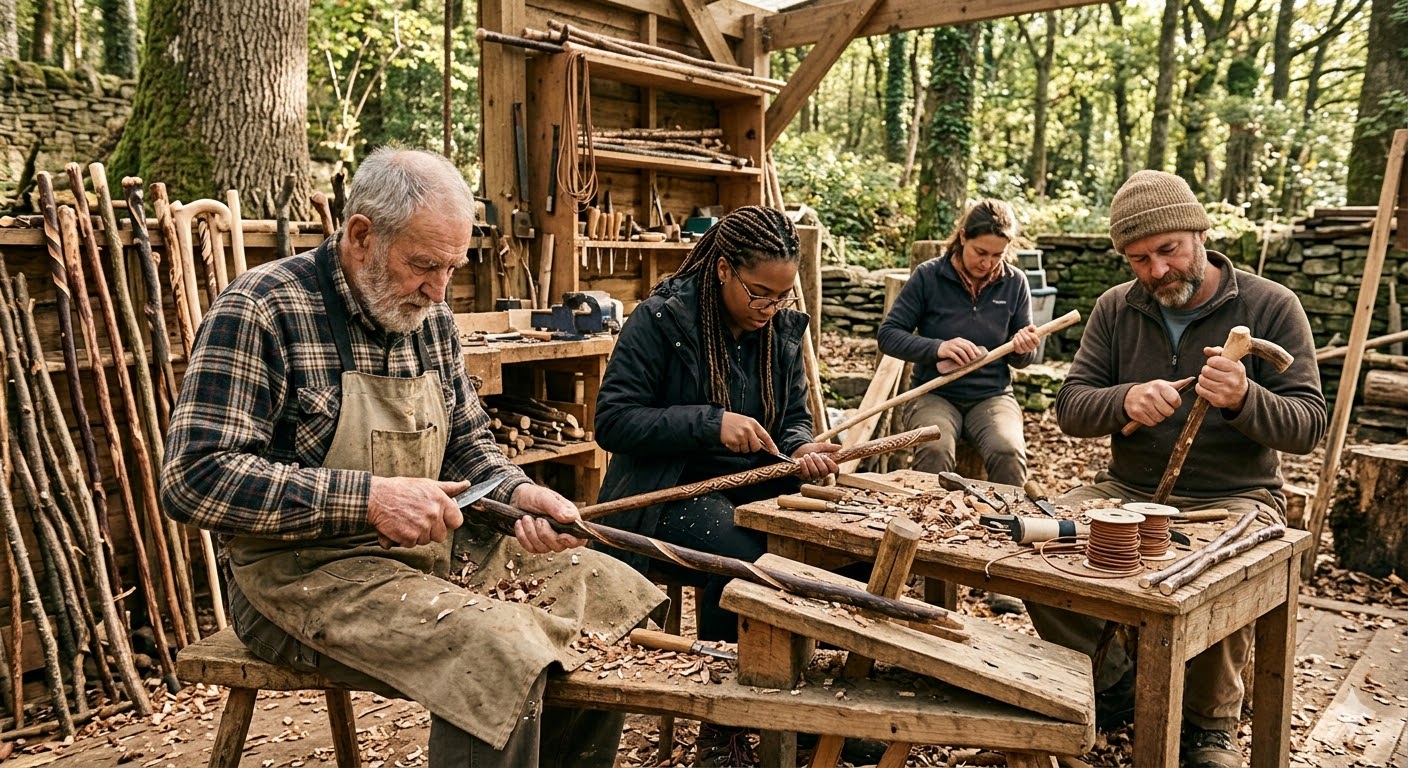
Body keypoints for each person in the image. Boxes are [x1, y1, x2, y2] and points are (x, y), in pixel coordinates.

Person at [161, 147, 664, 768]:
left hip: (426, 561)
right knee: (497, 647)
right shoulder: (263, 308)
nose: (438, 289)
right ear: (362, 235)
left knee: (605, 587)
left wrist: (514, 496)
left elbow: (470, 446)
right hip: (296, 578)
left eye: (451, 268)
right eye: (424, 265)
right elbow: (194, 478)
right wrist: (370, 499)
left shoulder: (432, 319)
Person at [1028, 170, 1325, 768]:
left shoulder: (1271, 305)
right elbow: (1071, 406)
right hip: (1127, 487)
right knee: (1037, 540)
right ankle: (1114, 684)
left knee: (1218, 565)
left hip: (1235, 494)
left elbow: (1309, 422)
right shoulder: (1116, 308)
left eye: (1168, 250)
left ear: (1199, 230)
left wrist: (1246, 399)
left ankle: (1207, 723)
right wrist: (1124, 400)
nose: (1157, 270)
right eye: (1138, 259)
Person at [594, 206, 840, 765]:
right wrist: (709, 422)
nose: (770, 308)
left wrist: (801, 447)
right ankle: (723, 725)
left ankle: (797, 704)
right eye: (760, 294)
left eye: (782, 297)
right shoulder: (661, 321)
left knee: (821, 548)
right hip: (665, 493)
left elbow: (794, 417)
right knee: (748, 559)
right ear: (724, 269)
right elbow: (611, 421)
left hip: (751, 484)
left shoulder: (778, 327)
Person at [877, 199, 1041, 487]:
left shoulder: (1015, 282)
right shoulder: (929, 276)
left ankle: (1009, 527)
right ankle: (926, 527)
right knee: (934, 449)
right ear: (963, 236)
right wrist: (937, 347)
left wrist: (1024, 348)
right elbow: (889, 335)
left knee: (1008, 452)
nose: (987, 262)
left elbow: (1023, 359)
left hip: (993, 395)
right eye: (980, 252)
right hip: (933, 392)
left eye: (997, 255)